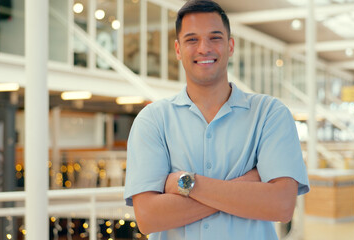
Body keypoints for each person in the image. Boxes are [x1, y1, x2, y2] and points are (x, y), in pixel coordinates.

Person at [123, 0, 310, 239]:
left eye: (215, 37)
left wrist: (186, 183)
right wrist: (247, 185)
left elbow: (282, 206)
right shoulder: (153, 120)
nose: (204, 48)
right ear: (178, 50)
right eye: (192, 39)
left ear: (230, 46)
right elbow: (149, 218)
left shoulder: (269, 114)